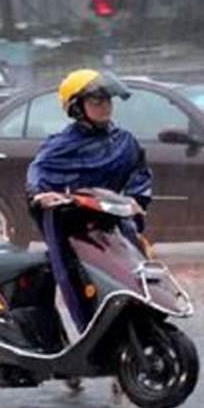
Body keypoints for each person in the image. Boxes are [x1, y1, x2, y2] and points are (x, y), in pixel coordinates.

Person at [26, 69, 153, 333]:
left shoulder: (124, 141)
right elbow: (38, 175)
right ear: (76, 107)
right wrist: (42, 195)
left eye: (108, 100)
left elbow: (139, 174)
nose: (105, 106)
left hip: (114, 225)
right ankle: (91, 332)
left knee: (138, 271)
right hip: (75, 229)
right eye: (96, 100)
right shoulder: (60, 146)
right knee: (75, 278)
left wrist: (135, 198)